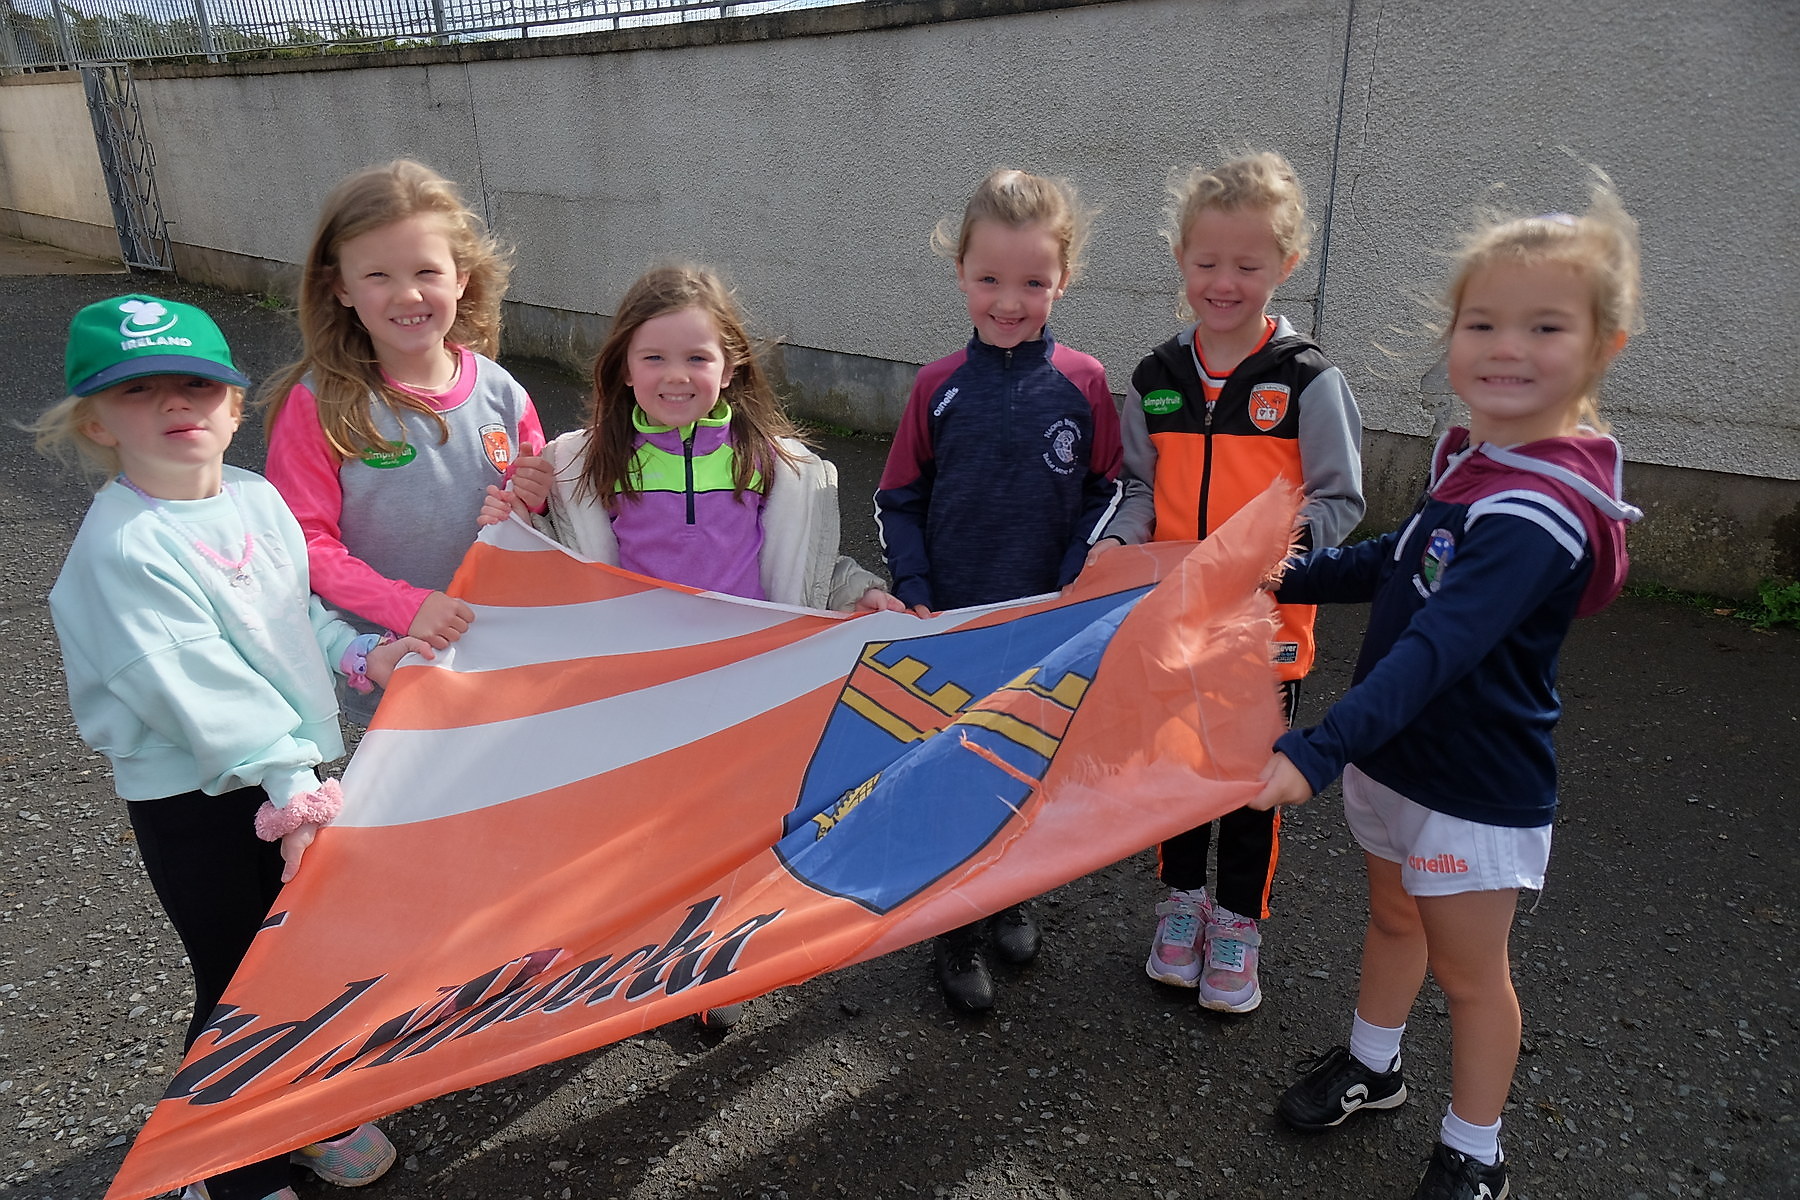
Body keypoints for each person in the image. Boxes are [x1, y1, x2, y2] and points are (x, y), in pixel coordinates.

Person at [1251, 178, 1645, 1200]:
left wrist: (1315, 749)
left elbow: (1438, 645)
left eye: (1544, 325)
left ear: (1606, 344)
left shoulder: (1539, 510)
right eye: (1483, 322)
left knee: (1473, 977)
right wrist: (1283, 575)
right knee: (1391, 922)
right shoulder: (1478, 462)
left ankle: (1476, 1148)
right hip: (1399, 758)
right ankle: (1373, 1068)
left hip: (1472, 783)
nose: (1506, 346)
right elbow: (1402, 560)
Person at [37, 295, 432, 1200]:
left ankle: (300, 1108)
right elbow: (205, 696)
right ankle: (227, 1165)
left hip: (289, 775)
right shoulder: (123, 548)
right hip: (200, 799)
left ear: (234, 404)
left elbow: (292, 618)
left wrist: (364, 653)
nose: (178, 405)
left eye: (198, 385)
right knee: (236, 978)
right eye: (141, 391)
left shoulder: (253, 497)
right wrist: (296, 792)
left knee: (302, 955)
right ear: (96, 420)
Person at [483, 262, 905, 1027]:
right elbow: (548, 556)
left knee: (727, 832)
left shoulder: (777, 463)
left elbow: (805, 563)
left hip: (743, 682)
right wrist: (518, 512)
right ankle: (643, 951)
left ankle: (700, 962)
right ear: (621, 366)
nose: (676, 376)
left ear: (731, 364)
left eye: (696, 358)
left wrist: (857, 590)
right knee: (643, 830)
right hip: (642, 689)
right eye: (655, 358)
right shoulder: (585, 460)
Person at [1091, 150, 1364, 1014]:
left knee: (1250, 782)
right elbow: (1136, 488)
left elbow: (1339, 501)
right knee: (1174, 771)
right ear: (1181, 261)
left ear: (1285, 266)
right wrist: (1119, 549)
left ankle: (1239, 924)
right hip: (1170, 623)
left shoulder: (1310, 381)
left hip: (1263, 630)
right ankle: (1182, 906)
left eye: (1247, 265)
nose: (1224, 282)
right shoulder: (1156, 379)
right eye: (1207, 262)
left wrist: (1262, 566)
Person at [874, 168, 1123, 1013]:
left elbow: (1106, 493)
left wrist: (1073, 582)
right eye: (990, 279)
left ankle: (1011, 891)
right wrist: (915, 588)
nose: (1009, 302)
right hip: (954, 624)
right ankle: (954, 929)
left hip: (1046, 627)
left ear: (1063, 280)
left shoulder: (1086, 383)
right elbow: (897, 498)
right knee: (952, 772)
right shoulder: (935, 385)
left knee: (1026, 768)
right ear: (960, 276)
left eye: (1032, 282)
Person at [264, 159, 551, 724]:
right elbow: (303, 546)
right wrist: (408, 606)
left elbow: (538, 517)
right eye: (378, 276)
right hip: (390, 664)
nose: (407, 294)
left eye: (426, 271)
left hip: (496, 656)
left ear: (461, 277)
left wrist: (535, 498)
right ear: (340, 287)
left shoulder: (502, 393)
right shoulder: (319, 403)